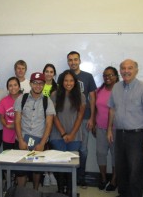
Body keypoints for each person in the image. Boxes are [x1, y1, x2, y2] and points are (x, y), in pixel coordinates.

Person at [107, 59, 143, 197]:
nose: (126, 71)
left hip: (137, 136)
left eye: (130, 68)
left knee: (135, 170)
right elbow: (112, 109)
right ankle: (123, 194)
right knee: (121, 167)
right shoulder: (116, 87)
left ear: (136, 70)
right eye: (123, 68)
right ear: (120, 71)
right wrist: (109, 130)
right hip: (119, 134)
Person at [58, 51, 97, 188]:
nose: (73, 62)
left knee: (83, 150)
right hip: (68, 120)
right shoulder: (64, 77)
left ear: (80, 61)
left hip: (85, 118)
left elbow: (92, 98)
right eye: (70, 60)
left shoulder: (88, 76)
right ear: (67, 62)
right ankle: (68, 180)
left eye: (75, 59)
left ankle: (80, 177)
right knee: (68, 150)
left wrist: (92, 117)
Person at [14, 72, 55, 190]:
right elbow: (17, 121)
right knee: (21, 170)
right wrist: (21, 141)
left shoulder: (48, 101)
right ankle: (21, 192)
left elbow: (49, 124)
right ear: (31, 84)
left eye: (41, 83)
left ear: (44, 85)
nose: (38, 86)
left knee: (37, 171)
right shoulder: (22, 98)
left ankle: (35, 191)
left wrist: (42, 144)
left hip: (39, 142)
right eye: (35, 83)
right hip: (22, 140)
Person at [50, 70, 85, 195]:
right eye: (66, 80)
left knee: (71, 164)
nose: (68, 83)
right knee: (59, 164)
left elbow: (80, 116)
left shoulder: (81, 96)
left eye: (71, 80)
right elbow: (53, 116)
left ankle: (70, 191)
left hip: (75, 135)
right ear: (61, 81)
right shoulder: (54, 95)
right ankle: (60, 191)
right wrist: (64, 134)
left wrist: (71, 134)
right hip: (57, 135)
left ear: (75, 82)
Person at [93, 66, 119, 191]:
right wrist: (93, 123)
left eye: (110, 75)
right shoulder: (99, 90)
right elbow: (95, 108)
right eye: (105, 75)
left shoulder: (120, 90)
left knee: (115, 155)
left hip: (116, 129)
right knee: (100, 153)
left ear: (116, 76)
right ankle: (103, 178)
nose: (107, 77)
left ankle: (114, 180)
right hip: (100, 128)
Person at [42, 63, 58, 187]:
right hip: (39, 121)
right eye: (46, 71)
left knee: (51, 147)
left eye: (51, 71)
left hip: (52, 121)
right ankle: (45, 174)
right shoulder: (38, 85)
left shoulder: (57, 88)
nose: (48, 74)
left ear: (54, 74)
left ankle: (51, 172)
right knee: (42, 147)